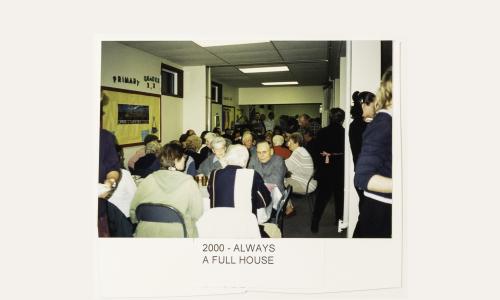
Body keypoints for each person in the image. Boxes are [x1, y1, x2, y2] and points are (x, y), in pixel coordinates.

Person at [129, 142, 203, 237]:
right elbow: (197, 214)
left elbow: (134, 213)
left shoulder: (148, 179)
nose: (185, 159)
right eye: (183, 156)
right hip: (178, 235)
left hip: (145, 234)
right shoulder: (189, 182)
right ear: (176, 160)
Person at [353, 67, 393, 238]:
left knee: (364, 221)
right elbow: (363, 176)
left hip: (381, 200)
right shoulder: (374, 124)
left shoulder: (373, 123)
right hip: (378, 199)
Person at [207, 144, 272, 224]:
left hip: (219, 225)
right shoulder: (251, 175)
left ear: (227, 158)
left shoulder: (214, 174)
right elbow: (265, 201)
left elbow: (211, 194)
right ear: (245, 161)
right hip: (245, 228)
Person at [311, 108, 345, 233]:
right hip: (339, 168)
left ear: (330, 118)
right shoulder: (344, 133)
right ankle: (339, 220)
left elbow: (315, 151)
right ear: (343, 119)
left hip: (325, 169)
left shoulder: (322, 132)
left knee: (321, 197)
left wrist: (321, 161)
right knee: (339, 196)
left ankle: (315, 222)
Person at [349, 91, 376, 208]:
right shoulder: (367, 126)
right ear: (364, 105)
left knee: (366, 210)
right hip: (368, 174)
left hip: (361, 173)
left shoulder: (355, 125)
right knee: (368, 212)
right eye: (374, 104)